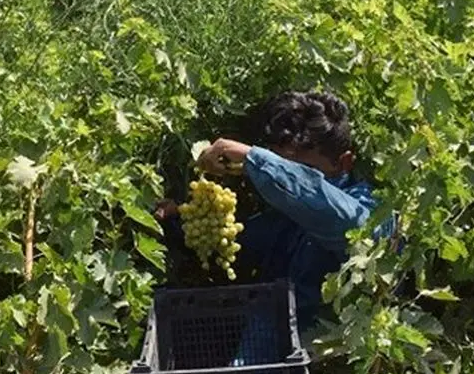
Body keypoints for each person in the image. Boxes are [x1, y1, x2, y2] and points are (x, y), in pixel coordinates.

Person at [155, 90, 399, 348]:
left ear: (344, 162)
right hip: (266, 340)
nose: (285, 183)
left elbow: (354, 225)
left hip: (328, 358)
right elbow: (239, 240)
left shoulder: (369, 208)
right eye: (282, 165)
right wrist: (178, 217)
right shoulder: (282, 215)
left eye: (301, 170)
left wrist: (253, 159)